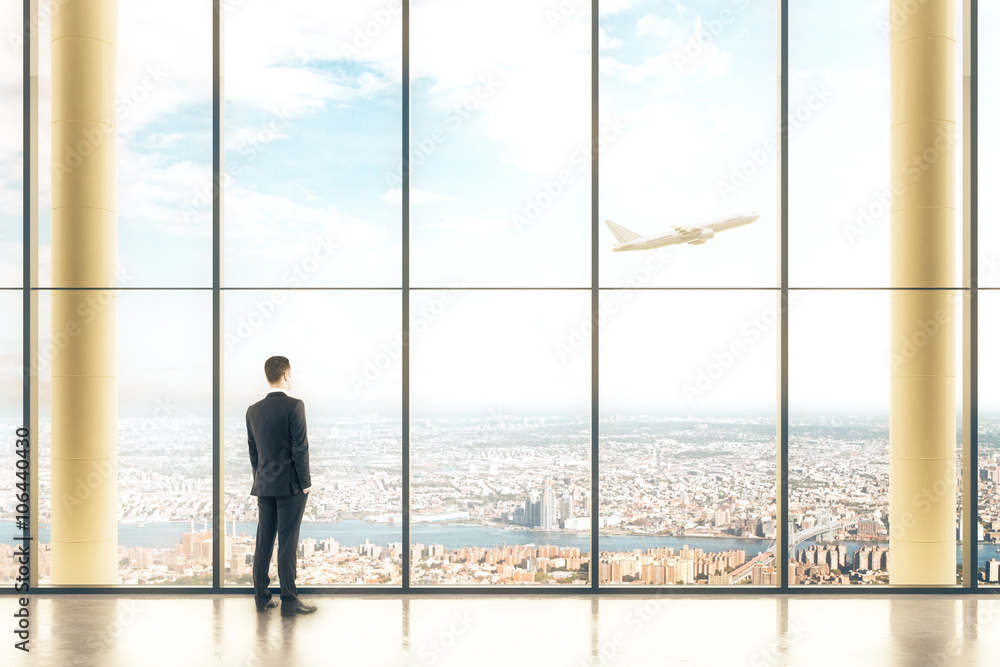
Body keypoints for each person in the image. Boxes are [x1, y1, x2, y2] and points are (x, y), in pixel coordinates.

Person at [246, 355, 317, 616]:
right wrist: (305, 482)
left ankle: (261, 597)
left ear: (268, 376)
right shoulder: (295, 405)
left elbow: (253, 451)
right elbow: (300, 447)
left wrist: (260, 477)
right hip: (290, 487)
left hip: (264, 485)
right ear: (286, 375)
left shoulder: (253, 410)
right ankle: (289, 601)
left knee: (263, 541)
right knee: (287, 542)